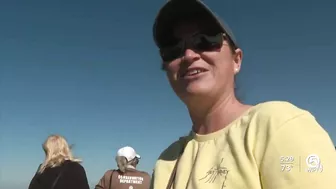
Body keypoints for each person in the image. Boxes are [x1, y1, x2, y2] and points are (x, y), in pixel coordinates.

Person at [150, 0, 336, 188]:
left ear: (236, 60)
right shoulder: (167, 161)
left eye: (205, 40)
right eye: (173, 49)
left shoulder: (277, 125)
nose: (189, 55)